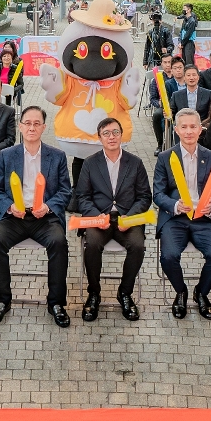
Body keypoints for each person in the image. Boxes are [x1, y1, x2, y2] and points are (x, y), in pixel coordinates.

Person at [0, 106, 73, 327]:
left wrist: (49, 206)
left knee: (59, 243)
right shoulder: (7, 155)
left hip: (45, 217)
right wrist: (8, 206)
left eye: (36, 123)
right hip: (15, 216)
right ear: (21, 126)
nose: (32, 128)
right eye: (27, 123)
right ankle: (2, 301)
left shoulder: (57, 156)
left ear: (44, 127)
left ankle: (56, 303)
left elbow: (65, 191)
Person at [72, 117, 152, 322]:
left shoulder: (135, 163)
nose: (111, 137)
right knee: (92, 245)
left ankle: (125, 293)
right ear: (99, 138)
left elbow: (145, 196)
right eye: (106, 133)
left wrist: (130, 217)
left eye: (115, 132)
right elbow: (82, 197)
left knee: (138, 246)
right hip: (99, 218)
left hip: (127, 217)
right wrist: (96, 215)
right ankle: (94, 293)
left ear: (121, 135)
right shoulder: (90, 163)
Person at [153, 110, 211, 320]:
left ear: (200, 129)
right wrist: (175, 205)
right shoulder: (166, 158)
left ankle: (201, 292)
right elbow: (157, 194)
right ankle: (181, 291)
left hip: (203, 218)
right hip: (175, 218)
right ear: (176, 130)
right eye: (184, 127)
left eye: (193, 127)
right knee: (168, 257)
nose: (188, 131)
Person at [178, 4, 198, 71]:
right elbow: (181, 31)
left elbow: (188, 34)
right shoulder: (185, 19)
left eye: (184, 8)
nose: (183, 10)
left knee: (189, 63)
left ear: (189, 10)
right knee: (184, 62)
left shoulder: (192, 21)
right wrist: (180, 41)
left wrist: (182, 43)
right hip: (183, 43)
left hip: (189, 43)